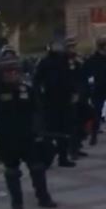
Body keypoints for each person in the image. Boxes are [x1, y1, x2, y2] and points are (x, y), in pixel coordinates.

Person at [0, 57, 56, 209]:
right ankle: (17, 201)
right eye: (8, 72)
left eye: (15, 72)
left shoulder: (26, 89)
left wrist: (39, 129)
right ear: (1, 74)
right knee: (12, 171)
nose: (13, 75)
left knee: (37, 168)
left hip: (28, 135)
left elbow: (37, 110)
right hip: (6, 137)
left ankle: (43, 198)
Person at [33, 39, 79, 168]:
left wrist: (75, 92)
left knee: (64, 131)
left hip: (65, 99)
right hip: (49, 100)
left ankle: (63, 158)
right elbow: (37, 80)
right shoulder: (44, 62)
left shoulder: (66, 61)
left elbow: (73, 77)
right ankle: (47, 158)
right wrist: (39, 98)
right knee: (49, 131)